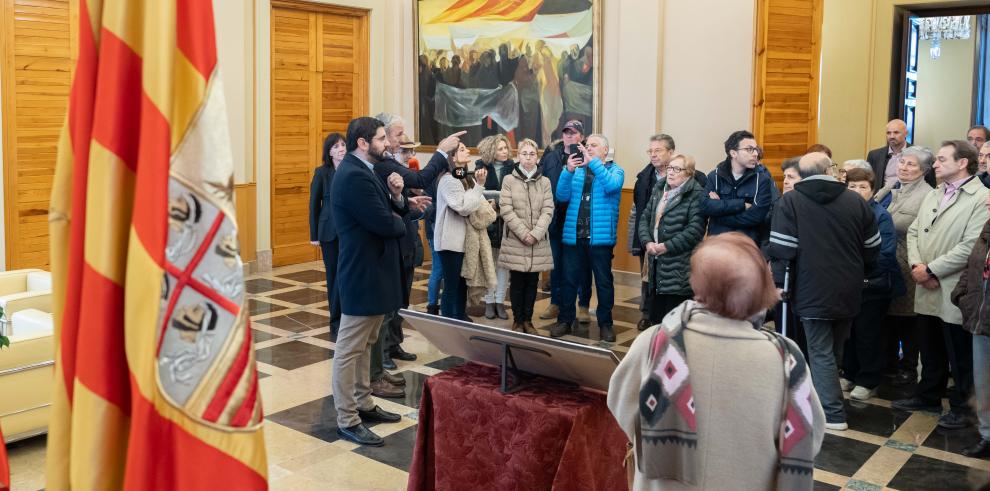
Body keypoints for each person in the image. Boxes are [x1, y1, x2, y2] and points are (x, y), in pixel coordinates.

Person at [608, 233, 825, 490]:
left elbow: (619, 404)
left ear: (697, 282)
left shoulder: (657, 340)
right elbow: (810, 436)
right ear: (762, 288)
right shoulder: (786, 359)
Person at [330, 117, 429, 446]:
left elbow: (387, 209)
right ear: (363, 142)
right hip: (362, 273)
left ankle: (364, 402)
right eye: (382, 138)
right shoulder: (354, 176)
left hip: (374, 272)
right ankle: (347, 417)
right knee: (349, 348)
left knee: (368, 342)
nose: (387, 144)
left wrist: (401, 202)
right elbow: (383, 223)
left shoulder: (366, 171)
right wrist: (401, 219)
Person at [768, 152, 880, 431]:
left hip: (810, 286)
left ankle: (832, 413)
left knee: (820, 350)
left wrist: (780, 283)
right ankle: (826, 399)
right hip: (849, 287)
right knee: (835, 348)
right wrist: (859, 270)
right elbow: (872, 247)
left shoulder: (791, 202)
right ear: (829, 170)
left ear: (802, 175)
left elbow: (783, 249)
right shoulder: (855, 200)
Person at [894, 140, 990, 431]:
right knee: (930, 344)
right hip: (926, 281)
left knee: (959, 352)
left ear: (962, 163)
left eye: (941, 159)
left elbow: (971, 246)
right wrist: (917, 266)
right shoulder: (935, 193)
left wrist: (932, 269)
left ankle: (964, 407)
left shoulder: (981, 197)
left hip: (952, 284)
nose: (934, 164)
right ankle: (929, 395)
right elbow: (913, 232)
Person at [551, 134, 624, 342]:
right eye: (587, 145)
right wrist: (568, 170)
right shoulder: (577, 171)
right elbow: (562, 196)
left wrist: (594, 164)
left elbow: (611, 186)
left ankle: (605, 324)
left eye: (594, 145)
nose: (588, 148)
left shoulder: (615, 170)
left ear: (605, 150)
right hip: (574, 237)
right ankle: (565, 319)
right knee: (568, 281)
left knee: (603, 282)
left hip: (600, 239)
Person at [840, 168, 905, 401]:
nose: (857, 191)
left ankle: (868, 380)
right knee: (849, 333)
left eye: (862, 187)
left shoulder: (880, 215)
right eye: (852, 187)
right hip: (848, 285)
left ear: (873, 190)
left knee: (868, 334)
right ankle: (849, 373)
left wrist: (854, 267)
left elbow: (885, 254)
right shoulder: (842, 212)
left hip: (872, 285)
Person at [874, 146, 933, 385]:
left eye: (911, 165)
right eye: (902, 163)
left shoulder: (928, 195)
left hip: (906, 262)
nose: (903, 168)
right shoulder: (889, 187)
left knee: (907, 320)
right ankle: (887, 364)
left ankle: (907, 368)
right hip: (881, 261)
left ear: (924, 170)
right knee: (885, 316)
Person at [638, 154, 705, 325]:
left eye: (677, 169)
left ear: (689, 173)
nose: (671, 172)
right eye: (670, 168)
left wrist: (666, 246)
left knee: (675, 322)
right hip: (656, 264)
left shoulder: (695, 194)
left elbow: (695, 230)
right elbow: (645, 218)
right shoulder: (659, 189)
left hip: (679, 266)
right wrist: (647, 242)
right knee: (656, 319)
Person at [498, 139, 554, 334]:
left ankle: (528, 320)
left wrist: (535, 234)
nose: (528, 157)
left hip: (537, 241)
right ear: (518, 156)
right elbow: (506, 209)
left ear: (537, 158)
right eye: (524, 153)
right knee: (517, 281)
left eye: (532, 154)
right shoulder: (509, 180)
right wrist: (523, 233)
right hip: (516, 239)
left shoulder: (545, 182)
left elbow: (548, 209)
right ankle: (518, 319)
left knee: (532, 282)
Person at [539, 120, 593, 323]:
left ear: (581, 136)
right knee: (557, 263)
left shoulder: (588, 157)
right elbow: (542, 182)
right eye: (566, 133)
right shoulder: (552, 155)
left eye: (574, 133)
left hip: (580, 220)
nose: (569, 136)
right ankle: (555, 302)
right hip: (555, 219)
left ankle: (583, 305)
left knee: (582, 265)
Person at [950, 192, 990, 458]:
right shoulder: (988, 226)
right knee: (984, 380)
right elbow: (972, 265)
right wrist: (962, 295)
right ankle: (987, 434)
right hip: (980, 318)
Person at [434, 143, 489, 320]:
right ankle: (450, 320)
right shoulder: (449, 179)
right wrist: (479, 186)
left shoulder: (463, 177)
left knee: (461, 283)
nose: (468, 151)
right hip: (450, 241)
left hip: (463, 240)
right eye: (463, 149)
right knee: (452, 284)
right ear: (452, 156)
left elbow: (473, 201)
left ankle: (459, 316)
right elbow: (463, 207)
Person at [629, 134, 677, 330]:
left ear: (671, 152)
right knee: (648, 279)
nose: (653, 155)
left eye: (658, 150)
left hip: (673, 237)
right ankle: (647, 314)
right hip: (648, 237)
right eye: (651, 151)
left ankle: (671, 315)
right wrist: (640, 239)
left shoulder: (684, 174)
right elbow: (638, 210)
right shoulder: (644, 178)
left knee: (671, 279)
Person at [700, 130, 774, 244]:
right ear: (733, 153)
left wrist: (718, 216)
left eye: (755, 149)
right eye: (749, 149)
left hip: (746, 245)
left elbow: (755, 217)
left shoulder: (762, 180)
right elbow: (705, 206)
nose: (755, 153)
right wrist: (741, 205)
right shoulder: (714, 176)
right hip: (717, 243)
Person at [309, 132, 345, 340]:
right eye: (335, 146)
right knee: (333, 277)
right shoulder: (322, 173)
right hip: (329, 233)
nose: (341, 148)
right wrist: (314, 234)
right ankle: (335, 321)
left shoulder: (352, 169)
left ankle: (347, 317)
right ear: (329, 152)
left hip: (350, 233)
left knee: (346, 275)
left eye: (343, 145)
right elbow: (314, 205)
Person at [475, 135, 514, 320]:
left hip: (506, 223)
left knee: (503, 265)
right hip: (488, 224)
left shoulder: (513, 167)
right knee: (487, 263)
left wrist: (499, 203)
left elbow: (514, 194)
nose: (505, 151)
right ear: (491, 150)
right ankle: (489, 302)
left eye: (506, 148)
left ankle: (500, 302)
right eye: (500, 148)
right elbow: (477, 193)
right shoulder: (480, 167)